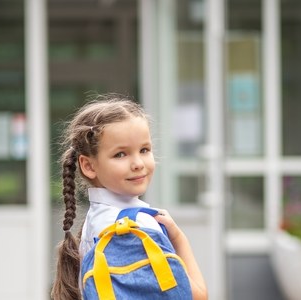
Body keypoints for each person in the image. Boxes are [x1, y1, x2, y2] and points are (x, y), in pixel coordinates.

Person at [51, 93, 208, 300]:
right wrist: (179, 238)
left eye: (144, 150)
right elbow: (197, 296)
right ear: (88, 166)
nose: (138, 163)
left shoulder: (96, 219)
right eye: (120, 154)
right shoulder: (134, 227)